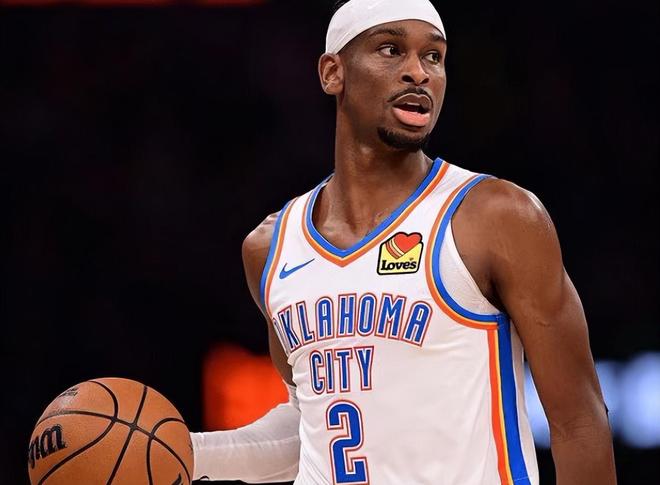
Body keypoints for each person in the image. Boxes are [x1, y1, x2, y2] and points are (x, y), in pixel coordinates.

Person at [191, 0, 617, 483]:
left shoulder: (495, 216)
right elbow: (311, 426)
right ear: (333, 73)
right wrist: (186, 454)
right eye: (391, 50)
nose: (419, 72)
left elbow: (580, 422)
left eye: (433, 56)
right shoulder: (271, 247)